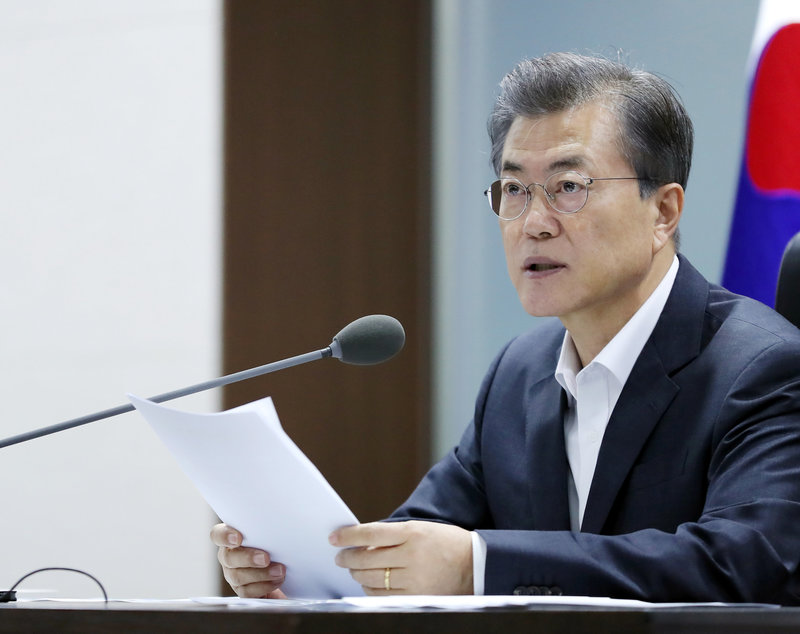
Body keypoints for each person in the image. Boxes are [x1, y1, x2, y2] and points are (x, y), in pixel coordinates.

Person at [211, 52, 800, 603]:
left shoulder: (763, 369)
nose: (533, 223)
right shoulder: (519, 373)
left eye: (569, 188)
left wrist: (478, 566)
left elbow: (748, 565)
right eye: (514, 189)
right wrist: (302, 568)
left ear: (663, 212)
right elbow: (423, 537)